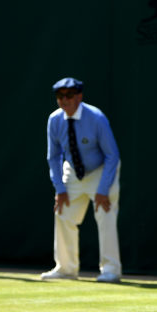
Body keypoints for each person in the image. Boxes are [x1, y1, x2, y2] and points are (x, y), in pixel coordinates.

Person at [42, 77, 122, 283]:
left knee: (105, 214)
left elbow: (112, 155)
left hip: (101, 170)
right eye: (60, 96)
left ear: (79, 96)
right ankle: (66, 268)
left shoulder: (96, 117)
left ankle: (111, 269)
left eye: (69, 95)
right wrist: (59, 188)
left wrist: (103, 189)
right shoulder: (55, 119)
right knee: (62, 212)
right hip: (73, 172)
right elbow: (54, 156)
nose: (64, 100)